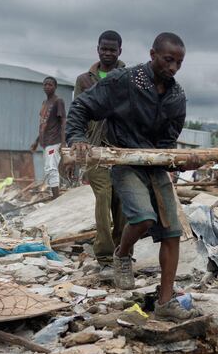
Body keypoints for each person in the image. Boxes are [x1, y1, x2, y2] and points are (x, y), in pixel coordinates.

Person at [67, 32, 202, 321]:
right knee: (143, 218)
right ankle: (122, 252)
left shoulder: (176, 96)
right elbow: (81, 107)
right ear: (152, 54)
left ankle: (165, 303)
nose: (174, 68)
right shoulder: (124, 81)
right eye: (168, 60)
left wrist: (181, 163)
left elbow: (168, 144)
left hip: (154, 166)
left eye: (179, 63)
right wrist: (78, 138)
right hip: (124, 160)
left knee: (172, 232)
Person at [74, 30, 127, 272]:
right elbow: (78, 113)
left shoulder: (128, 77)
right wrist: (79, 142)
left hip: (122, 149)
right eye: (103, 48)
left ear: (119, 51)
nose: (107, 53)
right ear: (97, 49)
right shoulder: (84, 80)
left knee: (122, 204)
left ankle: (123, 253)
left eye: (112, 49)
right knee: (103, 197)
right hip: (95, 149)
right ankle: (105, 258)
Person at [30, 77, 66, 198]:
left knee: (51, 167)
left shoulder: (58, 101)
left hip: (54, 141)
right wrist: (36, 141)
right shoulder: (44, 103)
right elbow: (43, 125)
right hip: (46, 142)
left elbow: (63, 122)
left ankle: (56, 197)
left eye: (50, 85)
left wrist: (63, 142)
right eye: (45, 84)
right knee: (47, 168)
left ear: (55, 87)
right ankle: (54, 194)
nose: (47, 87)